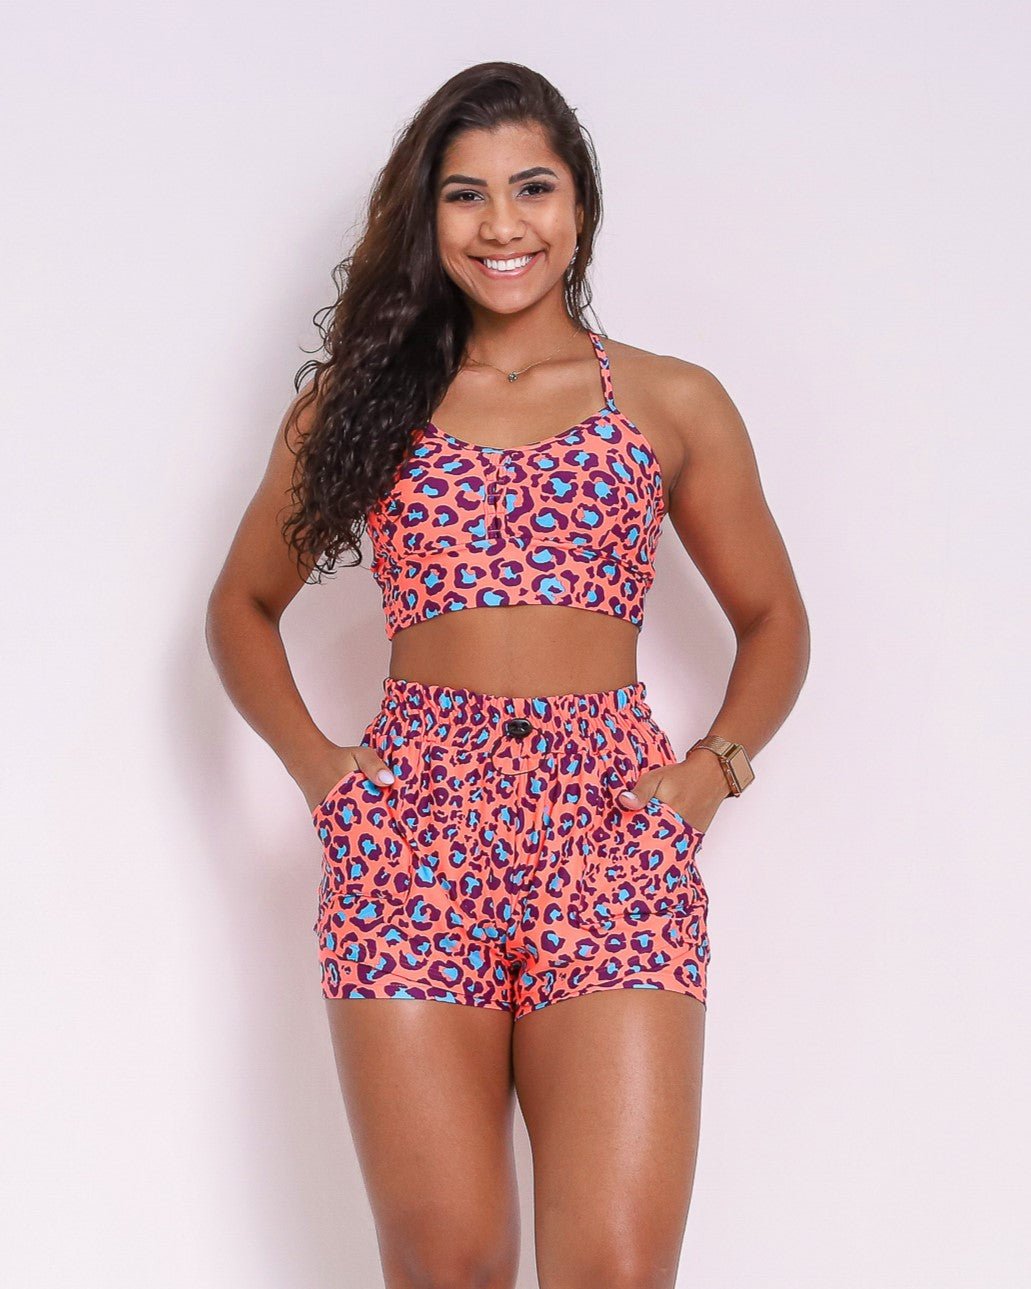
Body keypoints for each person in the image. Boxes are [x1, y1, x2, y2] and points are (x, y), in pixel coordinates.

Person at [207, 61, 809, 1289]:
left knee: (616, 1268)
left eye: (531, 187)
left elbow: (773, 619)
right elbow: (240, 607)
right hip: (411, 824)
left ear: (577, 203)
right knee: (449, 1263)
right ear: (428, 218)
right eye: (464, 194)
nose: (501, 224)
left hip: (610, 826)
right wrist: (324, 775)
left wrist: (709, 773)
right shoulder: (363, 406)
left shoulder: (669, 401)